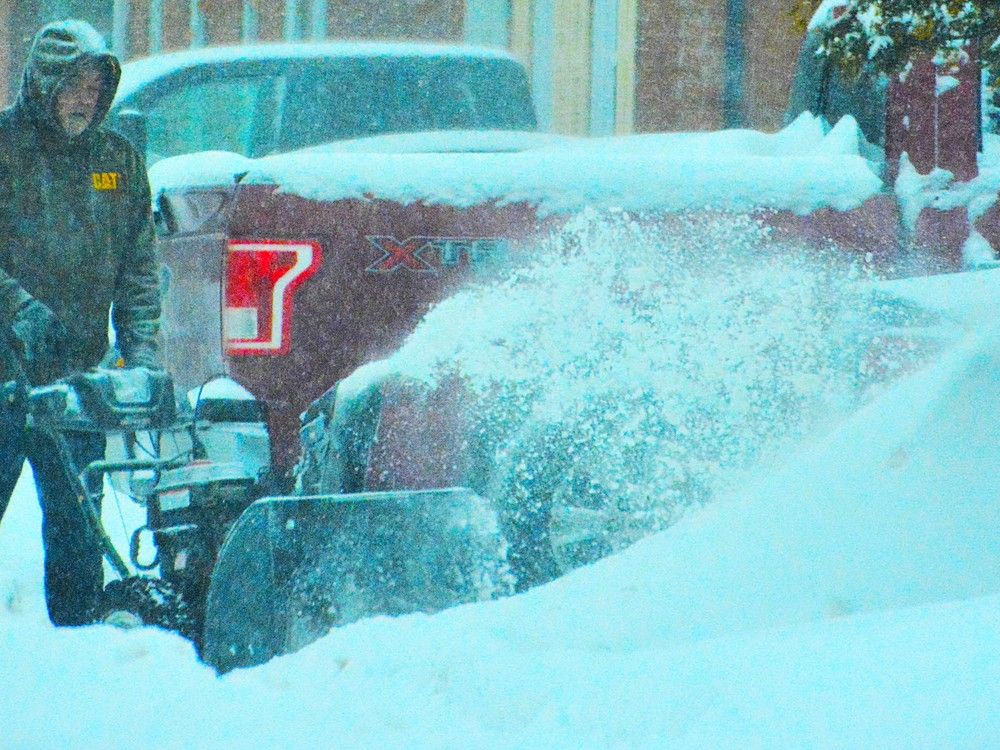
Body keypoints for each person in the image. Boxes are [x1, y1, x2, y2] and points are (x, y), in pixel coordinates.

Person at [0, 20, 161, 625]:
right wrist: (19, 311)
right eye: (74, 86)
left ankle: (79, 647)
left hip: (76, 385)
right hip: (5, 378)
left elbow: (140, 270)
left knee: (75, 526)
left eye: (96, 88)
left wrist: (144, 357)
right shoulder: (5, 151)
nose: (85, 100)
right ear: (44, 82)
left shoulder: (117, 163)